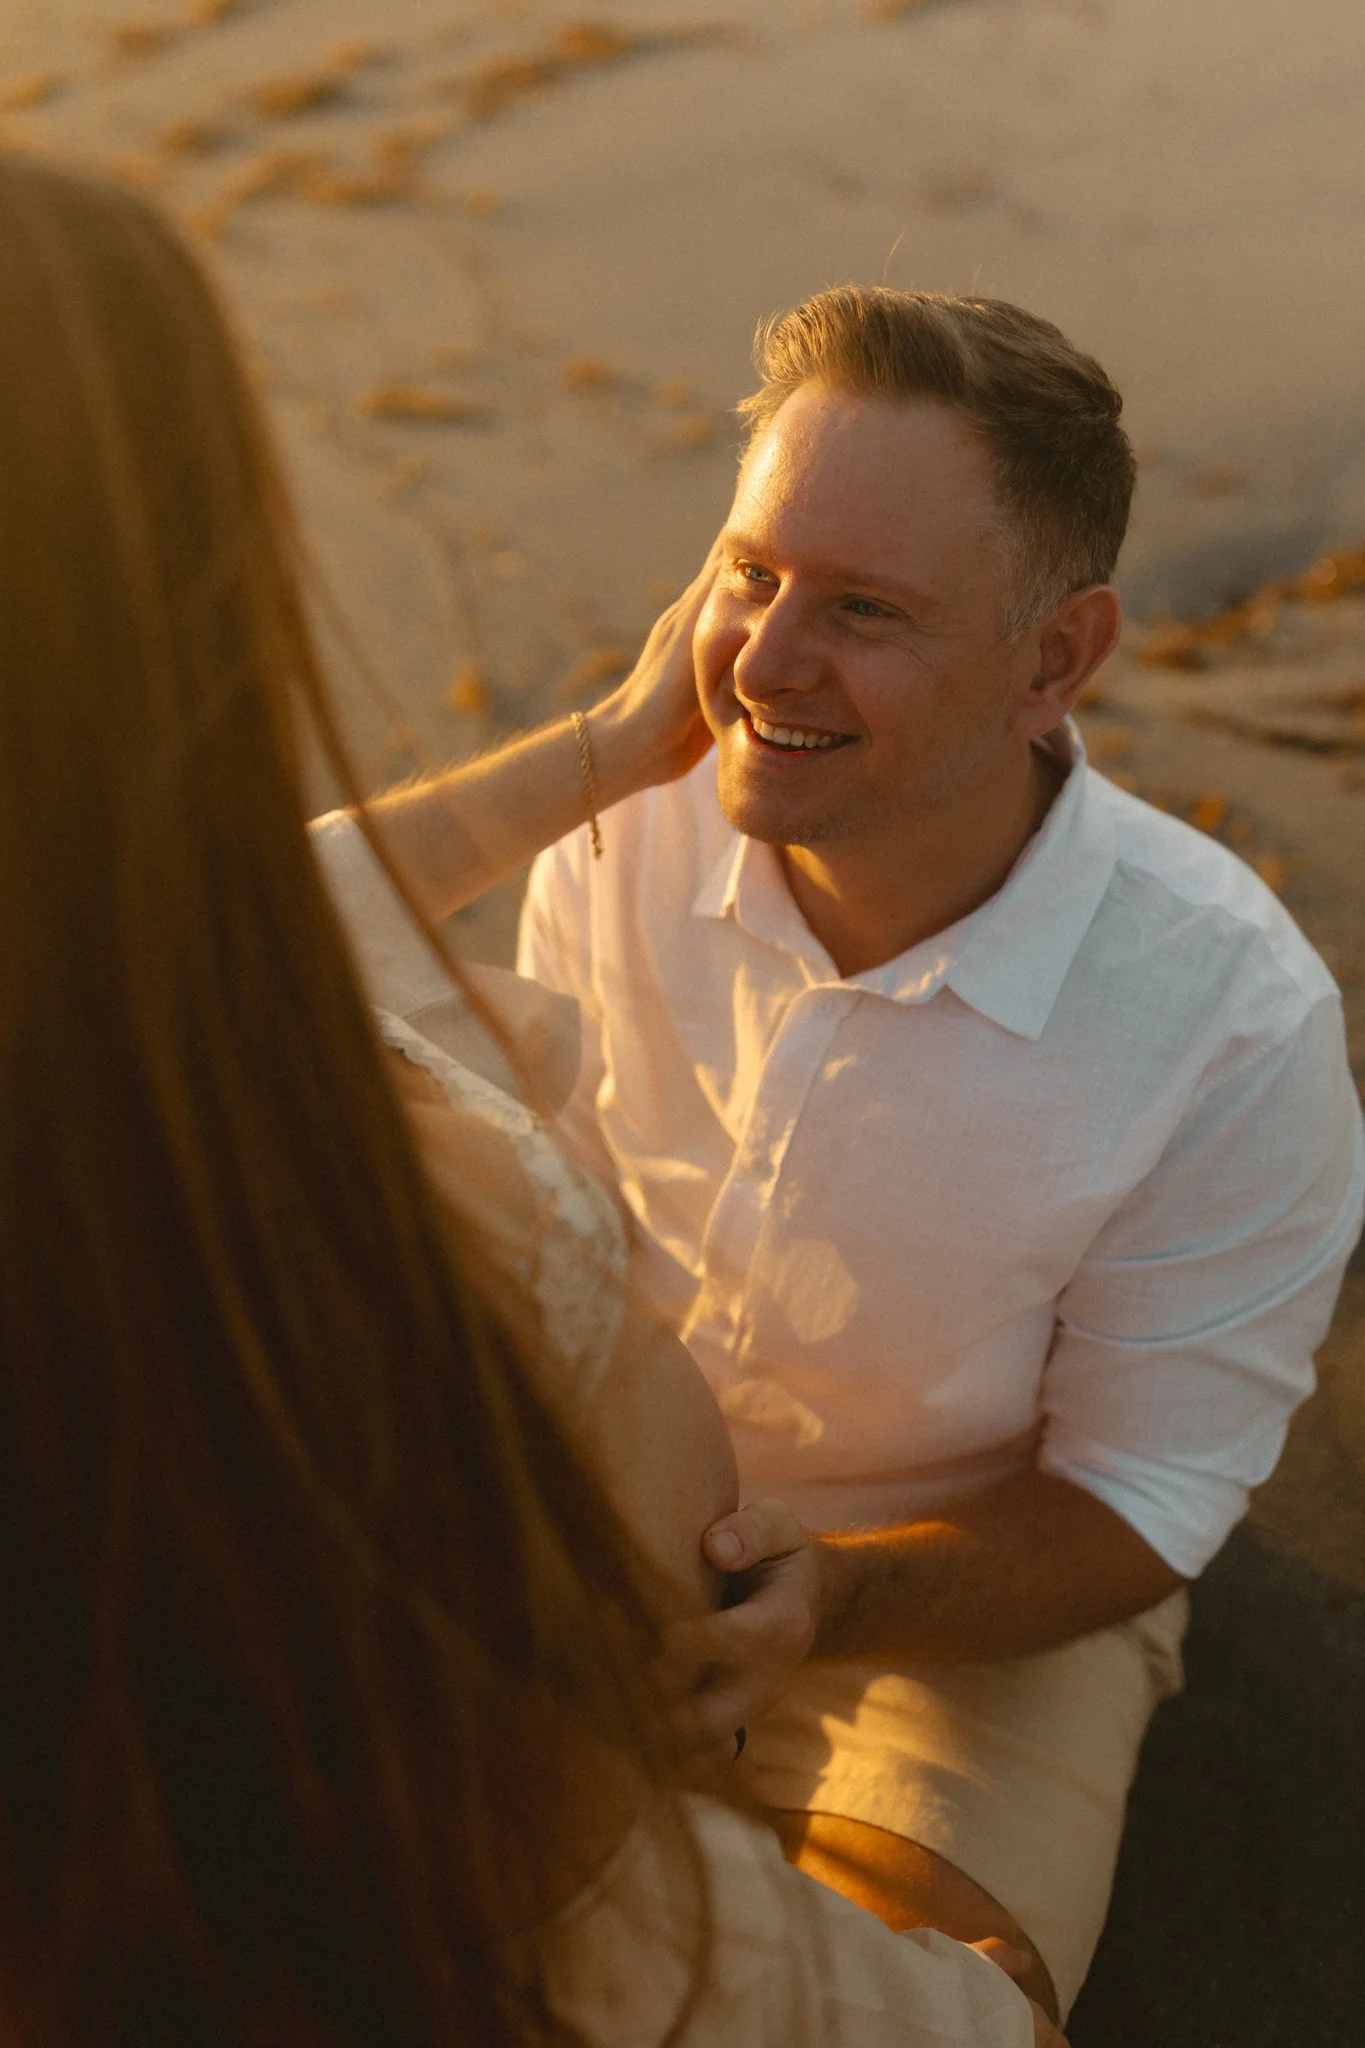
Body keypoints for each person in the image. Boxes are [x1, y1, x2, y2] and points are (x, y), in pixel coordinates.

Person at [0, 153, 1063, 2046]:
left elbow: (220, 911)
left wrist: (601, 747)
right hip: (554, 1897)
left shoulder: (100, 1008)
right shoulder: (237, 1191)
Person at [376, 285, 1365, 2023]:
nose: (761, 661)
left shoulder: (1228, 1024)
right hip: (599, 1507)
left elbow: (1141, 1503)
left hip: (967, 1603)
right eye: (749, 573)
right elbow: (215, 975)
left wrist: (828, 1602)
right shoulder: (608, 843)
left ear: (1057, 659)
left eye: (865, 611)